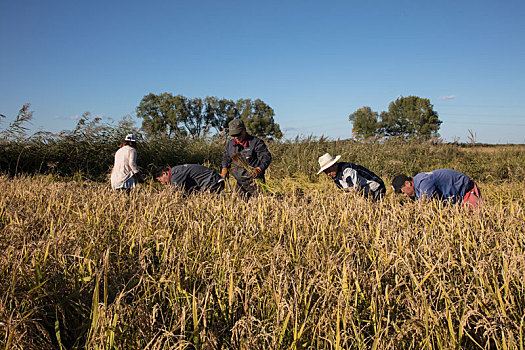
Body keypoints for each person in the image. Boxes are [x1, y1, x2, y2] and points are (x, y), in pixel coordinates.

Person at [221, 119, 272, 199]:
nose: (236, 137)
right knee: (239, 204)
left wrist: (259, 169)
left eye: (238, 134)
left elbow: (266, 157)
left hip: (254, 181)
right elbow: (226, 157)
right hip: (240, 181)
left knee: (259, 204)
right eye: (233, 135)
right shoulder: (230, 144)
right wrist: (224, 168)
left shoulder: (255, 142)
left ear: (244, 130)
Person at [391, 169, 482, 209]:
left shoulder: (424, 183)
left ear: (408, 183)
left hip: (466, 191)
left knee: (476, 222)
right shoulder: (417, 186)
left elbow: (428, 206)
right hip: (456, 198)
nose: (404, 195)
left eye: (402, 192)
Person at [317, 153, 386, 201]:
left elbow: (353, 189)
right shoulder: (336, 178)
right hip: (363, 192)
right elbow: (346, 191)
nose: (328, 174)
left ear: (335, 165)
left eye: (329, 170)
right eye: (325, 172)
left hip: (375, 188)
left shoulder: (348, 171)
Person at [153, 164, 225, 195]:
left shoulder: (175, 174)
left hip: (212, 183)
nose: (162, 183)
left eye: (160, 180)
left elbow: (176, 193)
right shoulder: (177, 170)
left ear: (164, 173)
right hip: (215, 181)